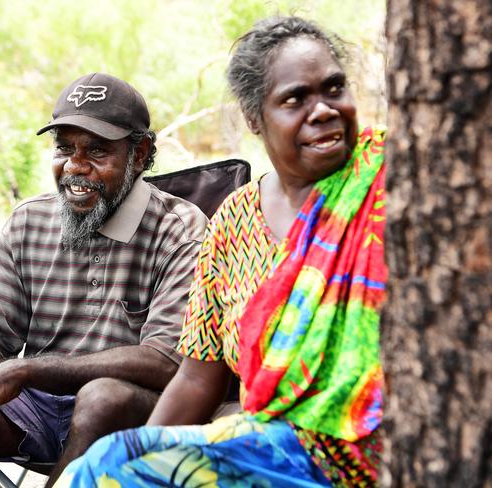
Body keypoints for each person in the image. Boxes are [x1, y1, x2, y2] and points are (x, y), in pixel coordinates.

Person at [57, 16, 386, 487]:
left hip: (385, 449)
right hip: (272, 454)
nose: (323, 110)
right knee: (103, 468)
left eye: (334, 89)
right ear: (255, 118)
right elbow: (196, 378)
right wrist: (141, 462)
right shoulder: (234, 222)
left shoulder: (386, 180)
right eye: (295, 98)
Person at [0, 72, 209, 488]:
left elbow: (166, 362)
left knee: (104, 397)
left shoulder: (181, 229)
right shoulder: (29, 221)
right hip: (33, 409)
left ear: (139, 154)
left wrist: (26, 371)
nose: (75, 166)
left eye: (97, 151)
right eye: (64, 147)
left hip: (132, 414)